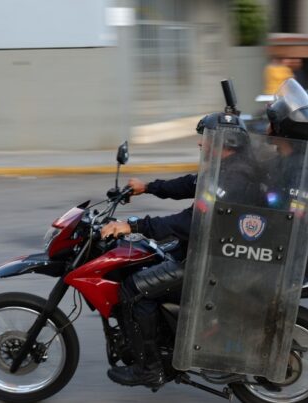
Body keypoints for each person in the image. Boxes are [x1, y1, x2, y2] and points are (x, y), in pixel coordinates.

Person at [99, 112, 259, 388]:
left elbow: (190, 222)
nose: (200, 143)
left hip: (213, 262)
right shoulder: (227, 168)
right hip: (209, 250)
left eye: (206, 138)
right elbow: (189, 184)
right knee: (150, 259)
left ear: (225, 141)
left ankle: (149, 369)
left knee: (134, 289)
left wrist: (134, 225)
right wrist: (147, 188)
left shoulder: (233, 178)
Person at [264, 79, 308, 279]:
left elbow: (288, 211)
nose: (267, 128)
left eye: (271, 123)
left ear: (280, 129)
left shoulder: (299, 168)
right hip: (288, 247)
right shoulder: (288, 159)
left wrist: (266, 195)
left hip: (296, 256)